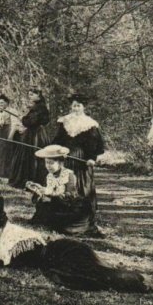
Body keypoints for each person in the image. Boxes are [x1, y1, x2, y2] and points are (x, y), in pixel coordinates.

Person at [0, 197, 151, 293]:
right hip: (59, 254)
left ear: (1, 226)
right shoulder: (7, 238)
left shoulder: (17, 242)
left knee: (95, 277)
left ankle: (138, 281)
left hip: (66, 255)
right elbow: (5, 261)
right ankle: (132, 277)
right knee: (95, 274)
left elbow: (15, 267)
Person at [51, 94, 104, 232]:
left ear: (83, 107)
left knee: (82, 187)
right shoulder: (64, 121)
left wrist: (92, 158)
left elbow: (97, 144)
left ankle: (82, 219)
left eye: (78, 106)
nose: (75, 108)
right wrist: (55, 150)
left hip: (82, 161)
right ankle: (63, 218)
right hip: (66, 158)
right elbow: (58, 139)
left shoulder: (90, 124)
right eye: (74, 105)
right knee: (64, 184)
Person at [25, 145, 91, 234]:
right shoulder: (49, 176)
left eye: (51, 163)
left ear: (60, 163)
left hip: (68, 205)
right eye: (46, 163)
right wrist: (38, 190)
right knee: (43, 207)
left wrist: (51, 195)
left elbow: (70, 195)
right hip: (55, 203)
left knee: (63, 223)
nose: (48, 166)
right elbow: (47, 191)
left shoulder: (68, 175)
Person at [8, 88, 50, 188]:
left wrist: (22, 119)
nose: (30, 96)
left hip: (34, 134)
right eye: (29, 94)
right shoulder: (40, 106)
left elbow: (31, 122)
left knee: (31, 155)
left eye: (32, 95)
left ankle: (30, 180)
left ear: (38, 96)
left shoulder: (38, 107)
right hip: (37, 132)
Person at [0, 94, 20, 178]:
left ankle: (8, 173)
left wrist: (10, 136)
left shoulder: (12, 111)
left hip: (8, 132)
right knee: (0, 151)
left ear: (7, 103)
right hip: (1, 132)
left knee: (8, 152)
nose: (0, 104)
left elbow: (15, 123)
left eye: (2, 103)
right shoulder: (1, 112)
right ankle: (0, 172)